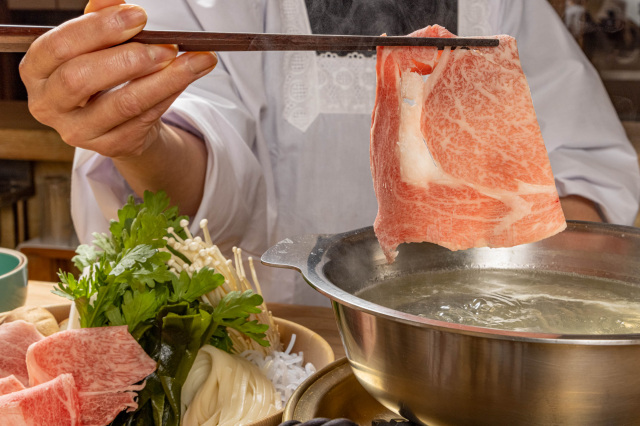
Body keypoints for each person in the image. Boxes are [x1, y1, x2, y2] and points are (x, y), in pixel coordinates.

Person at [19, 0, 640, 306]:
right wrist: (137, 137)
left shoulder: (504, 4)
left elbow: (585, 164)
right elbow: (197, 162)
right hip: (274, 347)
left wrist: (533, 294)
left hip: (475, 340)